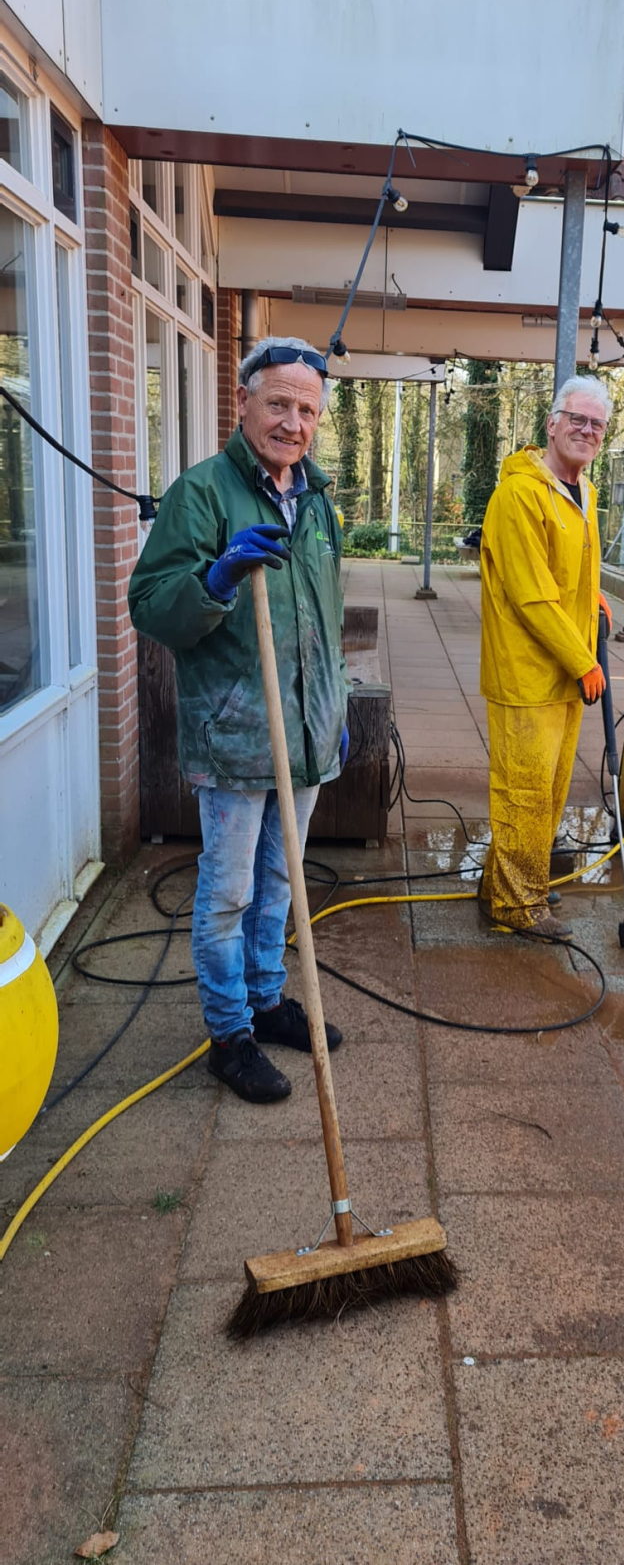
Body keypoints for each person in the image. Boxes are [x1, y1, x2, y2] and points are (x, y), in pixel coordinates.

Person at [129, 336, 350, 1103]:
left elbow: (326, 615)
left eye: (307, 410)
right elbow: (151, 605)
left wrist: (336, 703)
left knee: (280, 880)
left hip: (307, 732)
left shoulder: (315, 498)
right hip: (235, 734)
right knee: (226, 893)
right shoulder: (202, 494)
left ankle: (265, 997)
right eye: (280, 403)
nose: (293, 422)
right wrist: (217, 576)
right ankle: (229, 1035)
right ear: (244, 402)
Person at [479, 375, 614, 938]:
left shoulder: (582, 492)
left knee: (549, 792)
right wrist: (584, 660)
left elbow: (567, 571)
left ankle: (501, 887)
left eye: (597, 425)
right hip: (529, 671)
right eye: (576, 419)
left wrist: (593, 596)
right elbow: (532, 596)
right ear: (552, 423)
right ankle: (517, 905)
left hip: (563, 669)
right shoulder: (520, 495)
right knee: (525, 792)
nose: (586, 430)